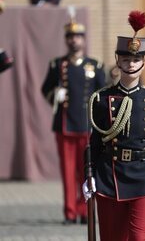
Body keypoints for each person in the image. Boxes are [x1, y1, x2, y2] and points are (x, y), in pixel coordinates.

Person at [83, 11, 145, 240]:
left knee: (139, 238)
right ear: (118, 61)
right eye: (126, 59)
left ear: (144, 61)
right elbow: (94, 142)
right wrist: (88, 174)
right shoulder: (101, 99)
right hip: (109, 178)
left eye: (136, 59)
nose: (131, 64)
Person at [41, 12, 106, 225]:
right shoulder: (57, 65)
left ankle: (85, 211)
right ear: (66, 40)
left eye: (77, 36)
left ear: (84, 39)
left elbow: (102, 95)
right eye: (70, 36)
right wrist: (55, 96)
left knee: (86, 172)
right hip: (65, 125)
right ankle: (70, 212)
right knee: (68, 173)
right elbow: (45, 89)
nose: (74, 40)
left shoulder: (95, 66)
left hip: (88, 126)